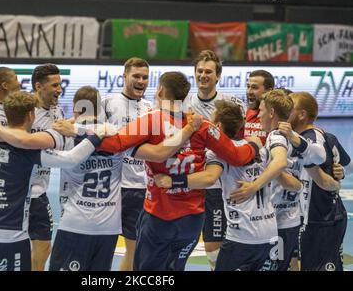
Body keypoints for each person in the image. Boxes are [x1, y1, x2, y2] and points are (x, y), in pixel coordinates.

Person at [0, 86, 202, 271]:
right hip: (108, 229)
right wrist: (188, 130)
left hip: (75, 225)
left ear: (76, 110)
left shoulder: (64, 133)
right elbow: (159, 153)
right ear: (101, 108)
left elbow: (25, 141)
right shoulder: (118, 135)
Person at [97, 71, 261, 271]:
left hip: (159, 215)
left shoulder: (152, 120)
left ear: (160, 91)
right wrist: (254, 145)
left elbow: (117, 143)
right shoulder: (202, 126)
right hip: (192, 219)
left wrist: (80, 132)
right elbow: (237, 156)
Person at [0, 91, 103, 271]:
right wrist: (97, 136)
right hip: (10, 235)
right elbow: (71, 159)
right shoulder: (29, 151)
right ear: (31, 115)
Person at [154, 100, 277, 271]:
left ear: (217, 126)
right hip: (270, 232)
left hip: (243, 235)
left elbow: (210, 177)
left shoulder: (218, 152)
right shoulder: (258, 147)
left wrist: (173, 181)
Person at [230, 90, 327, 271]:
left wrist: (253, 186)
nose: (258, 115)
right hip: (289, 220)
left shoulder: (276, 136)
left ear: (272, 112)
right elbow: (319, 157)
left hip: (276, 222)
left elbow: (280, 163)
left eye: (261, 110)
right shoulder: (295, 137)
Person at [182, 50, 246, 270]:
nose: (203, 75)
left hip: (219, 184)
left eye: (208, 72)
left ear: (218, 75)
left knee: (215, 244)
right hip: (191, 181)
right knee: (185, 240)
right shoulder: (184, 103)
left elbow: (240, 141)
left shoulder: (230, 104)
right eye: (199, 71)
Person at [285, 92, 350, 271]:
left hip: (322, 219)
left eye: (290, 109)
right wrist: (342, 171)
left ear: (301, 114)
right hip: (314, 218)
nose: (285, 112)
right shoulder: (319, 136)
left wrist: (339, 175)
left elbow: (327, 168)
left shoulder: (311, 138)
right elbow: (347, 165)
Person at [102, 57, 152, 271]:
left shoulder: (151, 109)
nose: (141, 81)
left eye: (145, 77)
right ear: (124, 77)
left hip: (140, 188)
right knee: (102, 248)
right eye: (136, 76)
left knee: (134, 251)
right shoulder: (107, 103)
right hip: (110, 188)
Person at [28, 64, 65, 271]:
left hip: (39, 192)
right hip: (16, 192)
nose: (59, 89)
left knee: (43, 246)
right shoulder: (23, 109)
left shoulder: (57, 111)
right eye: (55, 85)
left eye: (60, 84)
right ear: (38, 86)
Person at [244, 70, 275, 145]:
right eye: (248, 86)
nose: (249, 91)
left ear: (268, 91)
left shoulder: (276, 116)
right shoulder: (243, 113)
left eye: (254, 87)